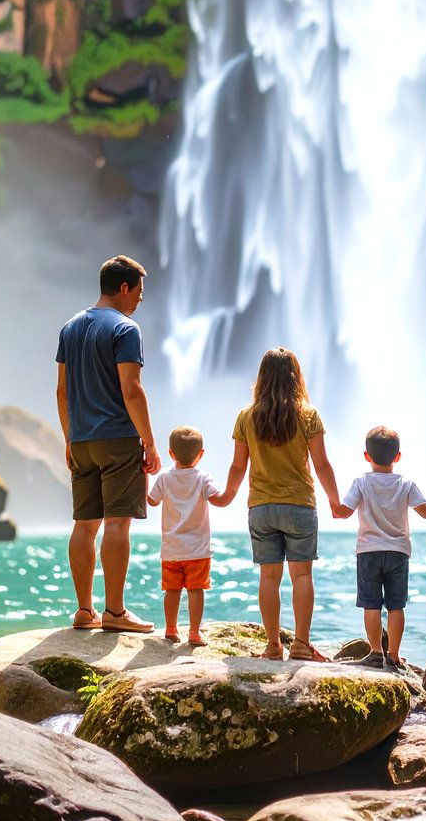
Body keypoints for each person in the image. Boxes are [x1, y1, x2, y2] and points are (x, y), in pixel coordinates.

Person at [56, 255, 161, 633]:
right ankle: (115, 613)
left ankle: (85, 611)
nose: (141, 299)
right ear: (123, 287)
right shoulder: (126, 329)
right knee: (118, 525)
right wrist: (149, 443)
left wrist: (69, 438)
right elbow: (131, 390)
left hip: (81, 439)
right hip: (117, 438)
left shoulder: (70, 327)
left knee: (84, 526)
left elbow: (62, 391)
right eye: (139, 291)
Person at [221, 347, 341, 661]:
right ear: (295, 377)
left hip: (261, 508)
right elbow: (322, 464)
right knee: (302, 576)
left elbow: (237, 466)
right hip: (299, 505)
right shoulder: (308, 414)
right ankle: (301, 644)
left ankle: (273, 646)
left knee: (268, 577)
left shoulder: (246, 415)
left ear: (261, 377)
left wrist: (227, 496)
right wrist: (335, 501)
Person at [334, 426, 426, 670]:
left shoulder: (361, 483)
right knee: (396, 605)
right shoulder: (406, 485)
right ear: (397, 456)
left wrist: (334, 505)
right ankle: (394, 655)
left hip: (368, 552)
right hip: (398, 552)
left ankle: (376, 652)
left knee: (371, 605)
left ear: (367, 456)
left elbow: (344, 512)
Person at [147, 426, 234, 644]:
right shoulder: (204, 478)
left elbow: (152, 501)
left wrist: (141, 477)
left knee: (172, 590)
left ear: (171, 453)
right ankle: (194, 632)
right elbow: (219, 500)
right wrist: (234, 488)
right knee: (196, 590)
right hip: (197, 549)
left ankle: (170, 629)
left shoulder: (164, 478)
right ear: (201, 454)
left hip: (171, 548)